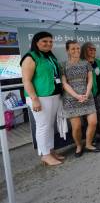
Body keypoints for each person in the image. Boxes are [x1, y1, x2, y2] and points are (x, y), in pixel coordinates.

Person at [21, 32, 64, 166]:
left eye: (50, 41)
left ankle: (50, 150)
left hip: (53, 95)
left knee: (49, 125)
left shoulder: (50, 56)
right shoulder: (30, 57)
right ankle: (45, 155)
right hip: (39, 97)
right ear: (36, 42)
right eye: (44, 41)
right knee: (42, 126)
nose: (48, 44)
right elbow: (26, 81)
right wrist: (34, 99)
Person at [61, 40, 100, 157]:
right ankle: (79, 145)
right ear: (67, 50)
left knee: (93, 122)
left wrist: (87, 94)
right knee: (77, 126)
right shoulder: (63, 65)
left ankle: (88, 144)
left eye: (78, 48)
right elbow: (64, 83)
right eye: (73, 48)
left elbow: (90, 80)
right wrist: (77, 96)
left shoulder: (86, 63)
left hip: (87, 96)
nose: (76, 51)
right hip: (71, 98)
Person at [80, 42, 100, 142]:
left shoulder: (99, 62)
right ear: (85, 50)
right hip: (88, 94)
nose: (93, 51)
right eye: (90, 49)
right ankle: (91, 137)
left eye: (94, 49)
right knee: (88, 117)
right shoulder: (81, 63)